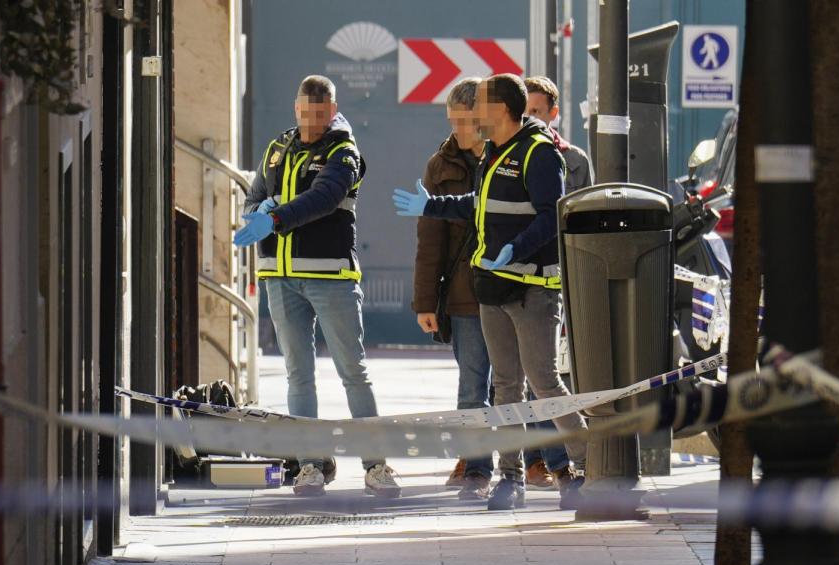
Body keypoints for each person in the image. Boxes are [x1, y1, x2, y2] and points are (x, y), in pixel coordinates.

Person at [393, 74, 588, 511]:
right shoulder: (493, 154)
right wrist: (431, 206)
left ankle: (583, 467)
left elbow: (550, 217)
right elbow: (477, 203)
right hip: (492, 290)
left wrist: (514, 249)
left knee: (544, 382)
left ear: (500, 109)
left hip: (532, 291)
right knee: (506, 388)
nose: (472, 113)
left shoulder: (539, 154)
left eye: (479, 104)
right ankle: (510, 478)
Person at [235, 75, 400, 499]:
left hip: (331, 278)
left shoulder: (343, 150)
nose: (313, 122)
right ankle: (309, 466)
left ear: (332, 109)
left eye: (321, 115)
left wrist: (272, 218)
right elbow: (251, 199)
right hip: (280, 277)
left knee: (352, 372)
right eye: (306, 114)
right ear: (296, 108)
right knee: (298, 375)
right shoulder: (276, 150)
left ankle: (375, 465)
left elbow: (325, 197)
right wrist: (259, 208)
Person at [412, 78, 493, 500]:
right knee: (472, 387)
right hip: (464, 296)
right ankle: (478, 469)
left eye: (465, 121)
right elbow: (431, 243)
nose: (458, 130)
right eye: (452, 121)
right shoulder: (439, 166)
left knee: (513, 386)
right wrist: (425, 302)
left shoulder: (508, 157)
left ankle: (519, 465)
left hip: (510, 288)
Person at [520, 76, 596, 491]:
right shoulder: (508, 154)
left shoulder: (576, 159)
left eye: (537, 110)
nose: (530, 117)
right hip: (520, 276)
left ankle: (557, 459)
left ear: (553, 114)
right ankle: (538, 461)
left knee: (548, 372)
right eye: (524, 110)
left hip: (561, 277)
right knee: (529, 374)